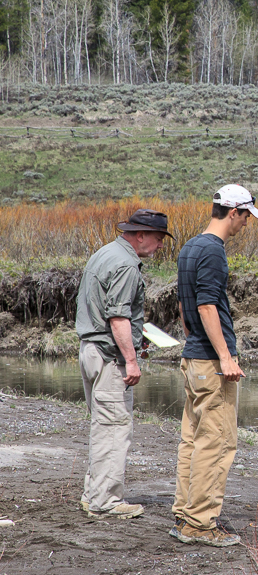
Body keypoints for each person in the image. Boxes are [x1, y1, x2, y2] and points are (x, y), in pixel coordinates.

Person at [169, 184, 258, 548]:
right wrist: (225, 356)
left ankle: (185, 513)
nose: (245, 225)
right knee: (218, 442)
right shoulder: (214, 251)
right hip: (211, 360)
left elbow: (183, 304)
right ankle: (200, 523)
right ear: (234, 212)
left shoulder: (191, 247)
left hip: (194, 357)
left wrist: (195, 340)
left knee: (192, 439)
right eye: (245, 217)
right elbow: (207, 306)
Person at [76, 209, 172, 519]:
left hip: (91, 350)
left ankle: (94, 495)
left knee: (103, 426)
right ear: (140, 235)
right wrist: (131, 360)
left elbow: (107, 312)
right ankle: (105, 501)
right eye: (158, 239)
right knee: (115, 429)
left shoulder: (105, 253)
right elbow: (118, 317)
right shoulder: (126, 264)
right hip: (108, 358)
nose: (159, 246)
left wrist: (133, 337)